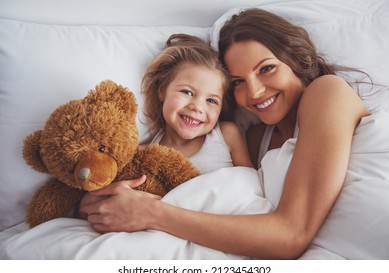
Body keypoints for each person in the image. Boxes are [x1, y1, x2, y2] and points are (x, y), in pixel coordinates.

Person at [79, 8, 370, 259]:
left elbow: (291, 234)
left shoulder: (327, 91)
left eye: (267, 68)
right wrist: (108, 201)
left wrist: (153, 213)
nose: (254, 92)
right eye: (239, 81)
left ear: (298, 59)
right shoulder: (257, 141)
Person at [141, 33, 253, 173]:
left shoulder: (226, 135)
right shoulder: (144, 153)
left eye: (211, 100)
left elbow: (249, 181)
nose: (197, 107)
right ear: (162, 90)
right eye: (187, 92)